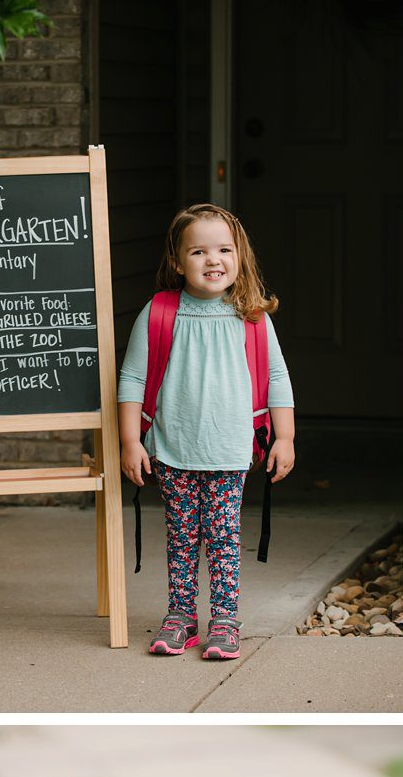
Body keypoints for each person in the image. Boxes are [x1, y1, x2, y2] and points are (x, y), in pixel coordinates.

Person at [118, 203, 296, 659]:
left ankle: (224, 618)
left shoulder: (252, 316)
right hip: (173, 446)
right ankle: (180, 616)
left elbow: (277, 376)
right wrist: (130, 441)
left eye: (224, 249)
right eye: (198, 251)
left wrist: (285, 437)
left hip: (230, 447)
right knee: (180, 535)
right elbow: (133, 378)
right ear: (178, 262)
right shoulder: (160, 313)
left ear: (240, 256)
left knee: (222, 537)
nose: (213, 260)